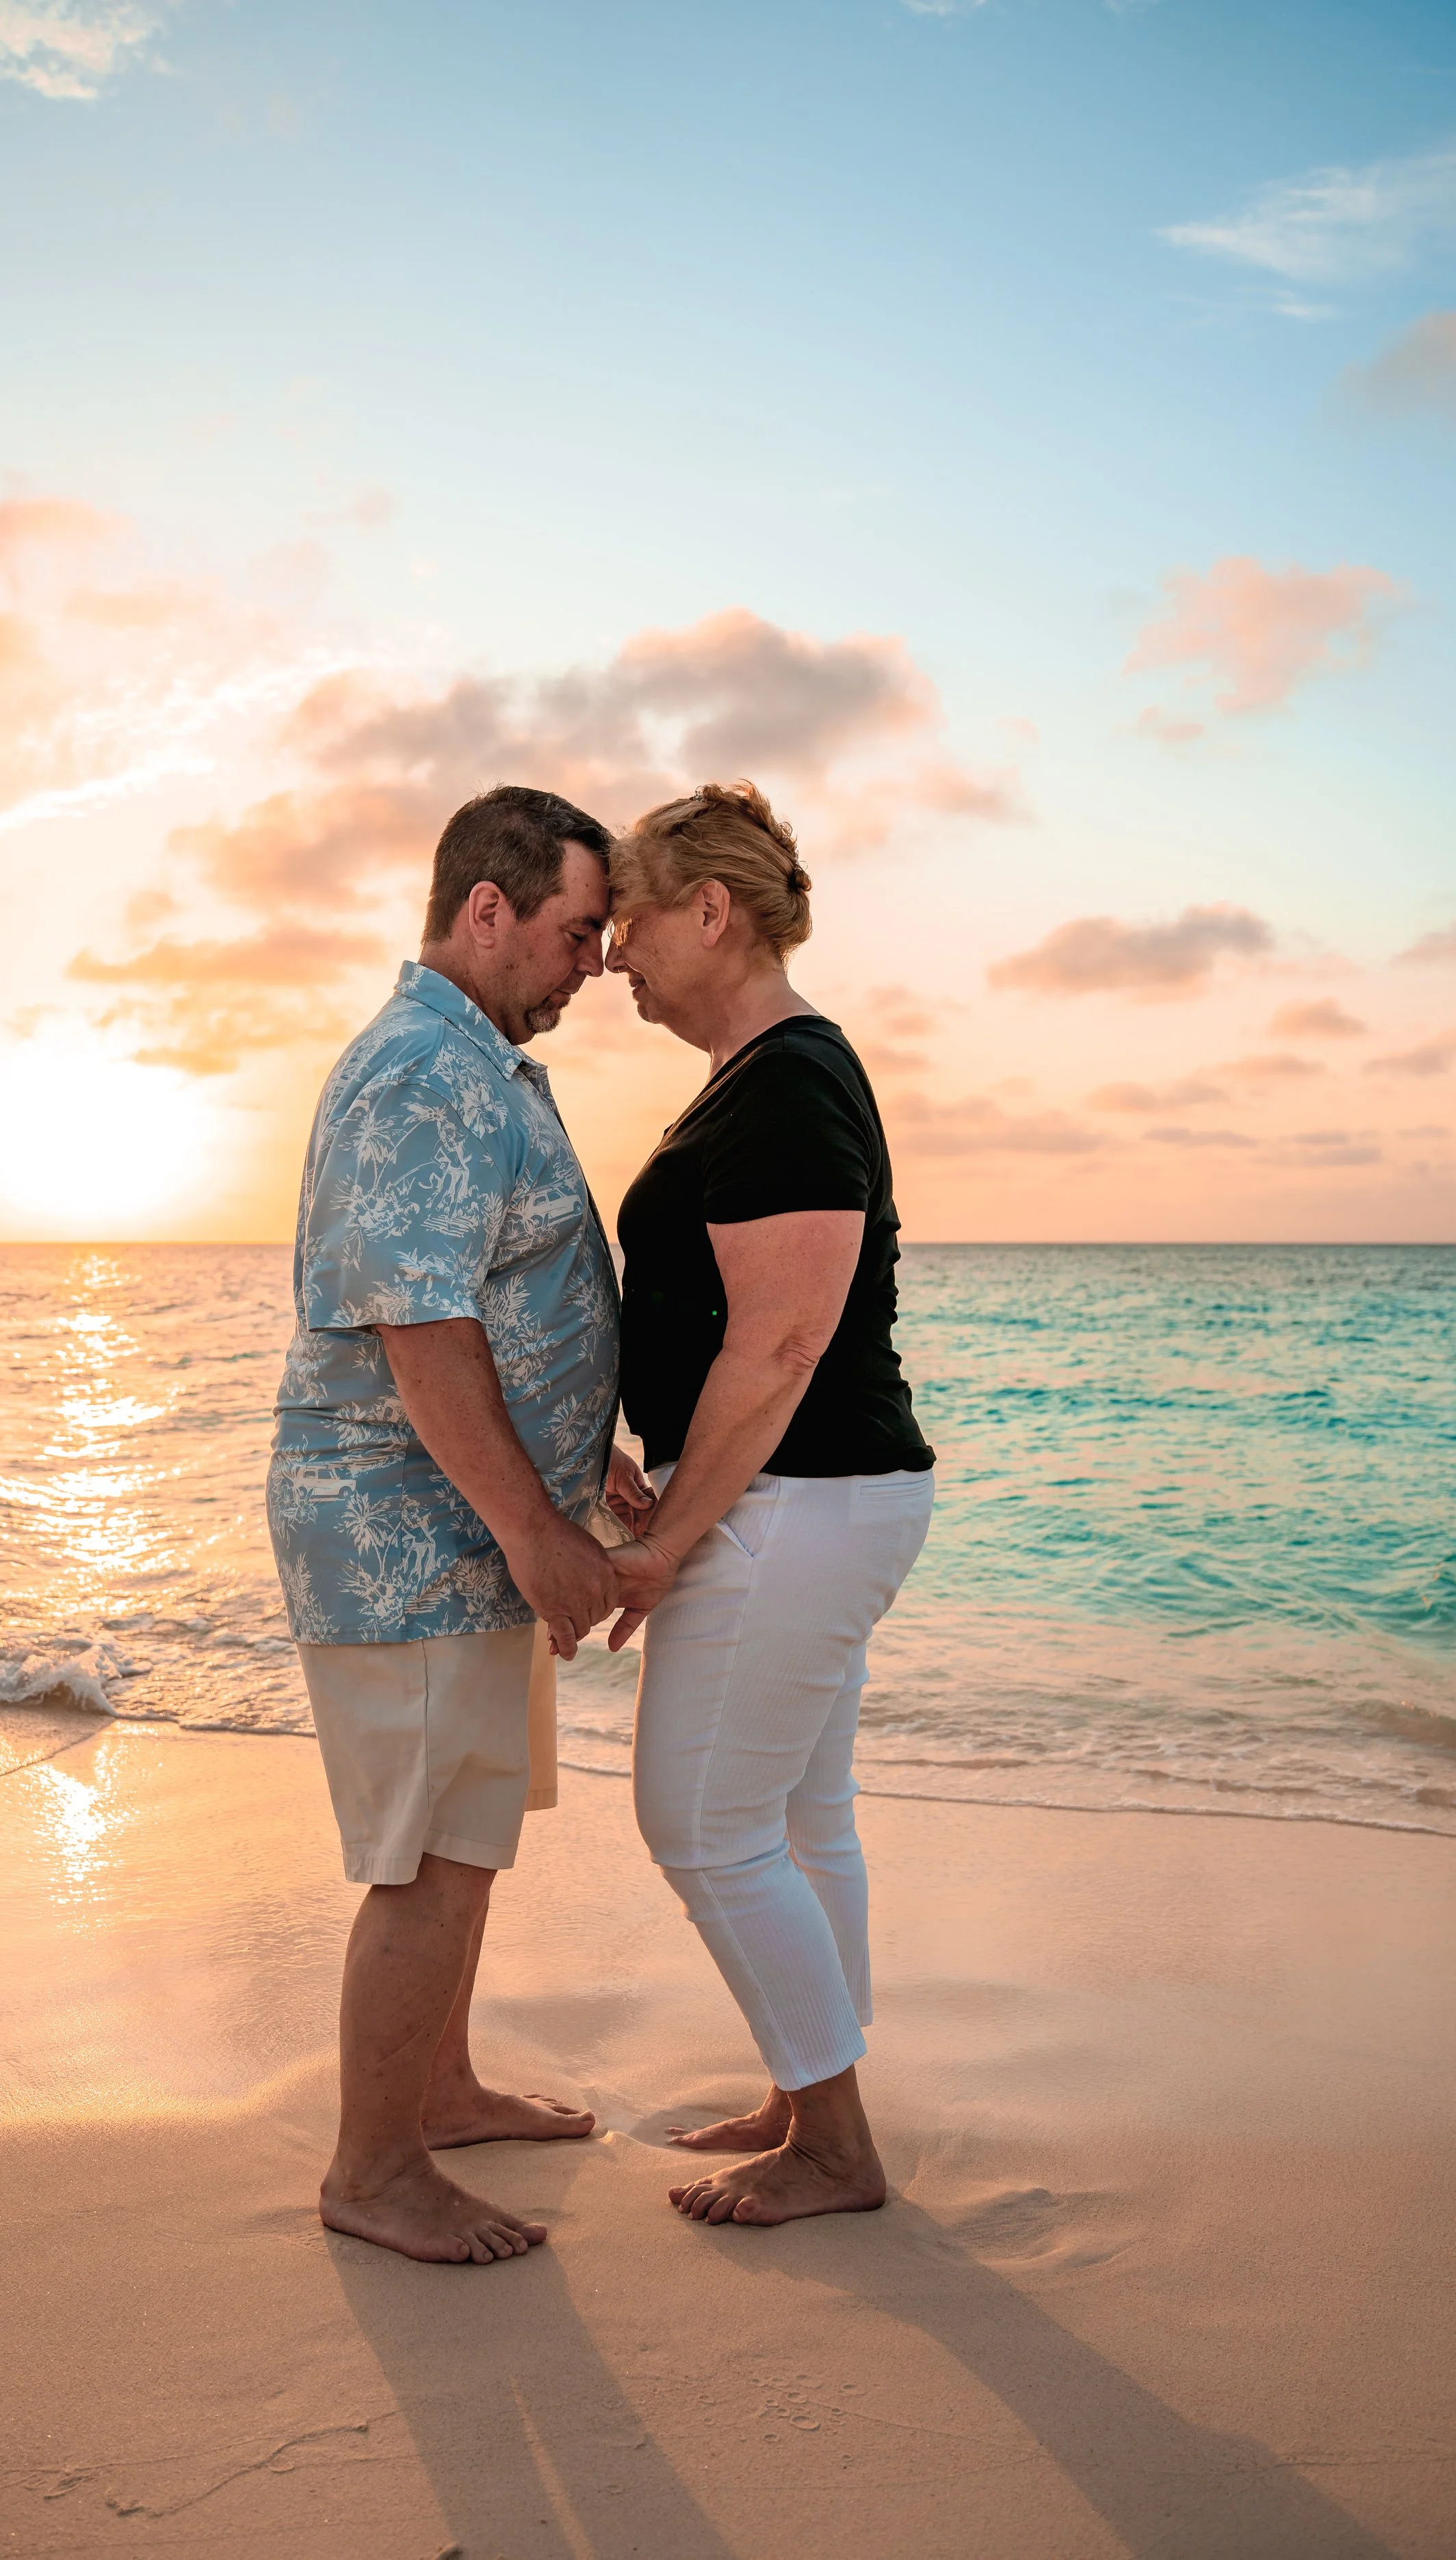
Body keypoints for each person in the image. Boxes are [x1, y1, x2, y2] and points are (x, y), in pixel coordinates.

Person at [268, 784, 654, 2266]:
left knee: (466, 1837)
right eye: (572, 933)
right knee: (425, 1856)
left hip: (464, 1528)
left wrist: (580, 1459)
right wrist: (539, 1534)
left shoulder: (471, 1061)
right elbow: (420, 1331)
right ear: (483, 910)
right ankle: (371, 2170)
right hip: (407, 1535)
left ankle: (437, 2092)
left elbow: (494, 1300)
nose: (590, 966)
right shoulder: (423, 1074)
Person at [603, 781, 935, 2228]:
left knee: (697, 1822)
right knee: (802, 1821)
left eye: (626, 917)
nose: (612, 951)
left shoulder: (787, 1079)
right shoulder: (767, 1072)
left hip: (795, 1504)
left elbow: (784, 1341)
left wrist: (667, 1543)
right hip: (814, 1498)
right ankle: (811, 2098)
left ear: (708, 911)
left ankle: (836, 2147)